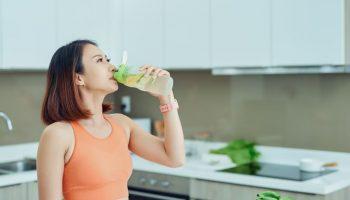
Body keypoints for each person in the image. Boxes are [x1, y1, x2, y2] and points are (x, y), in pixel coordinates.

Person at [37, 40, 185, 200]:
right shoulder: (58, 135)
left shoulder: (122, 124)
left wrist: (166, 98)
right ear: (78, 78)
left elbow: (174, 159)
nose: (113, 67)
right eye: (99, 60)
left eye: (107, 59)